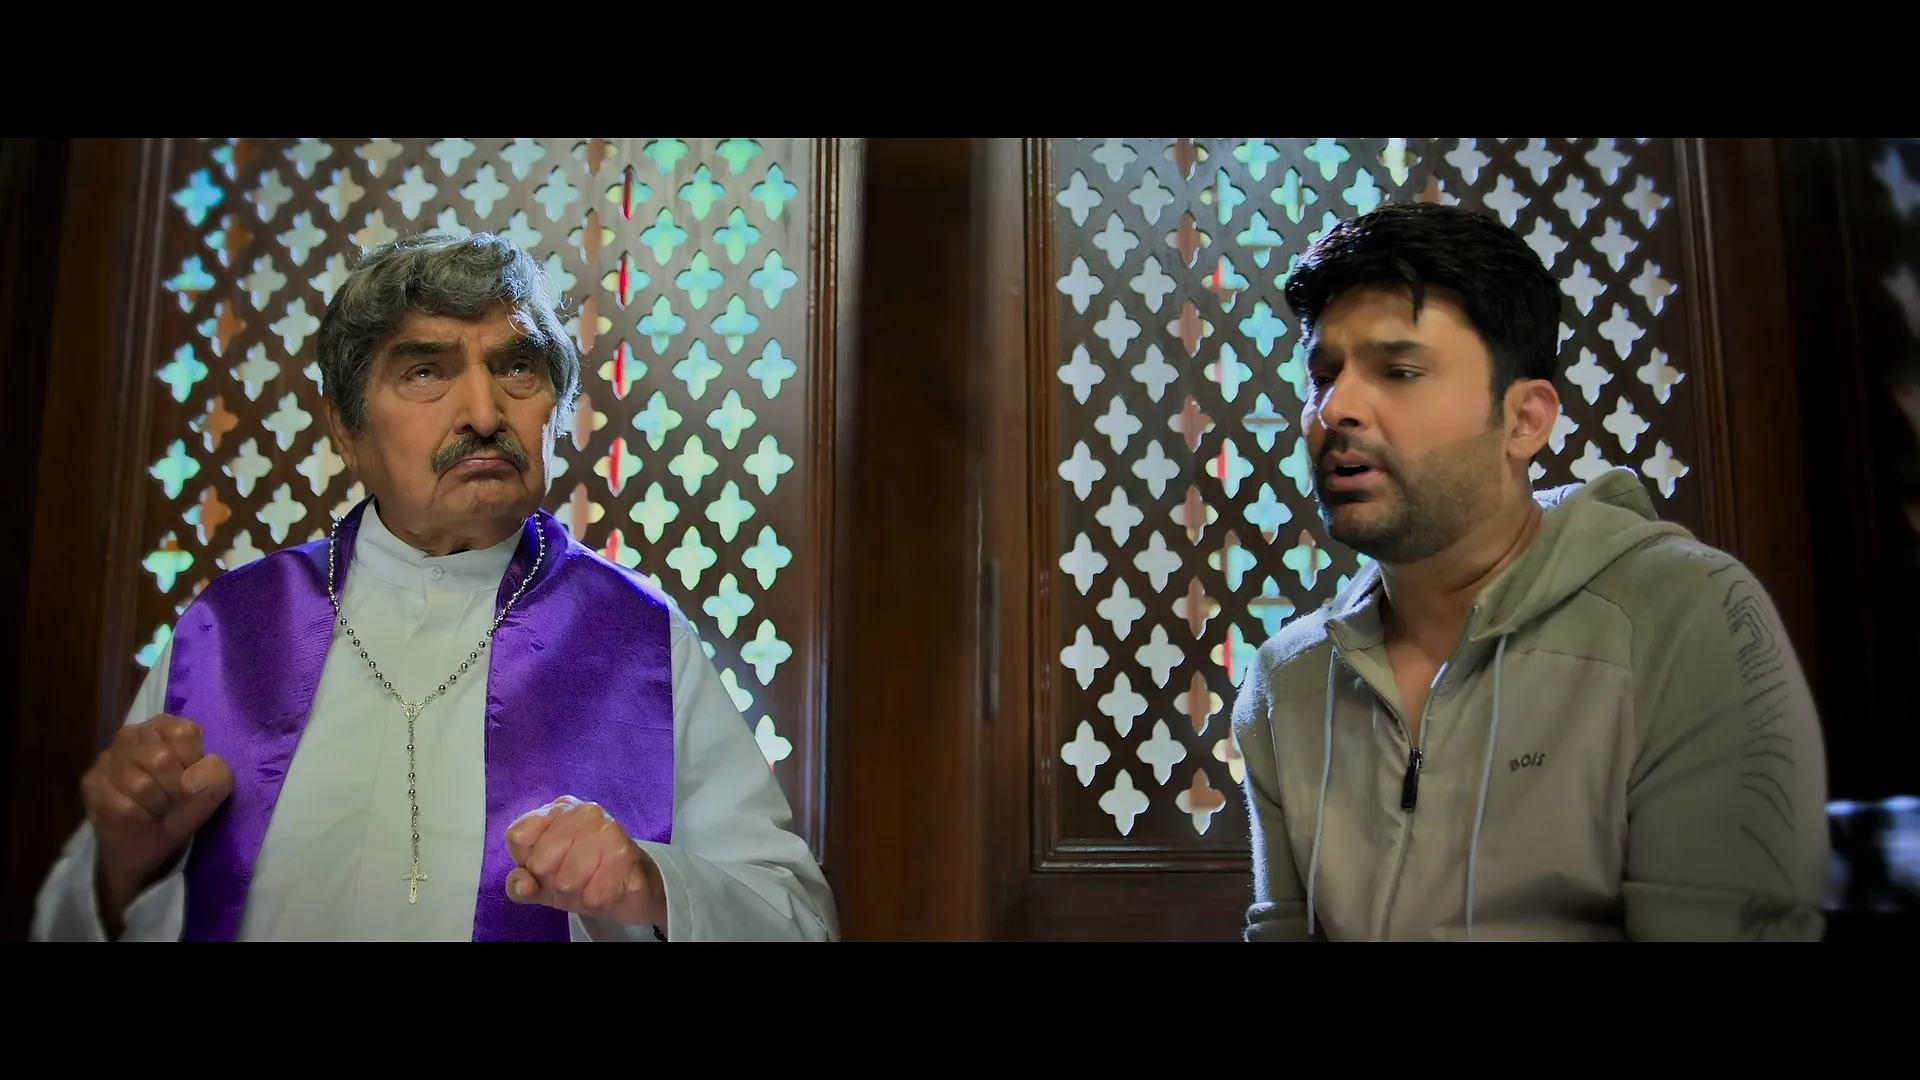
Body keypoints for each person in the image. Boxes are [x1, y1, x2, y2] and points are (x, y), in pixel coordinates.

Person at [32, 233, 838, 942]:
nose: (483, 413)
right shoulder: (228, 633)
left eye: (517, 367)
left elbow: (797, 918)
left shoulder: (639, 642)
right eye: (426, 371)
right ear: (346, 427)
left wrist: (652, 884)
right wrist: (121, 867)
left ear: (558, 409)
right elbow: (73, 919)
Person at [1231, 201, 1830, 942]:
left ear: (1525, 420)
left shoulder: (1687, 616)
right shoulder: (1286, 682)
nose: (1336, 408)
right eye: (1323, 375)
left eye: (1400, 371)